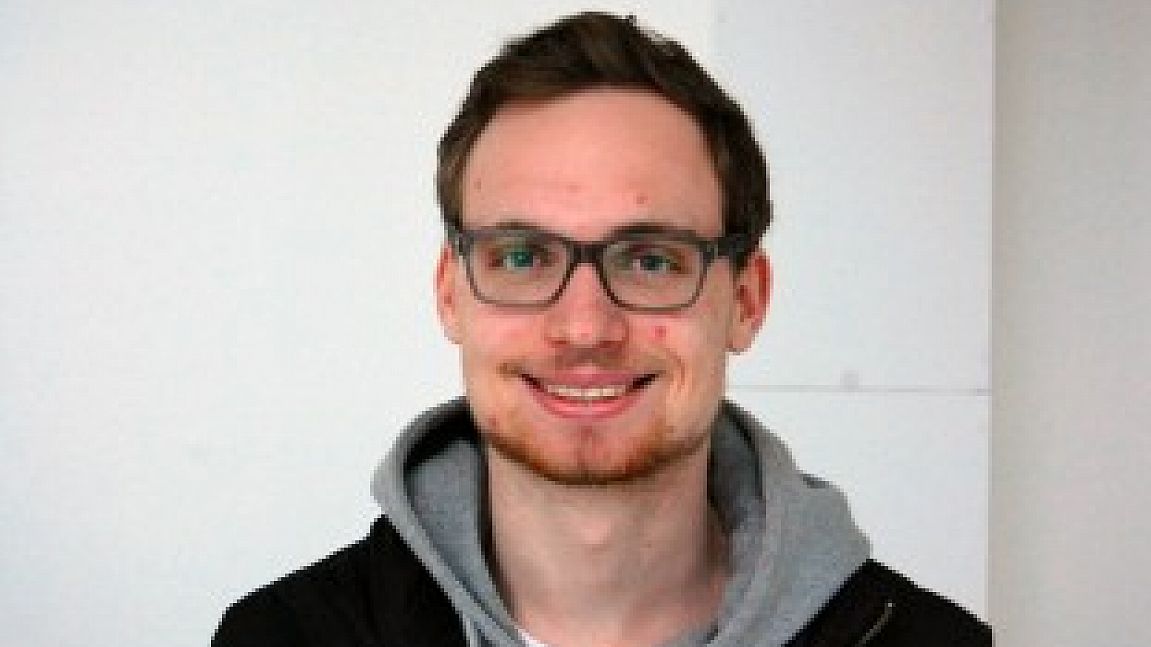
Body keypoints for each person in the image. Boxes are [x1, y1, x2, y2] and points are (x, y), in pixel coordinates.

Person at [213, 11, 991, 647]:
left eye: (650, 260)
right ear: (450, 293)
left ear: (746, 300)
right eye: (522, 256)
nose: (584, 325)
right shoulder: (278, 638)